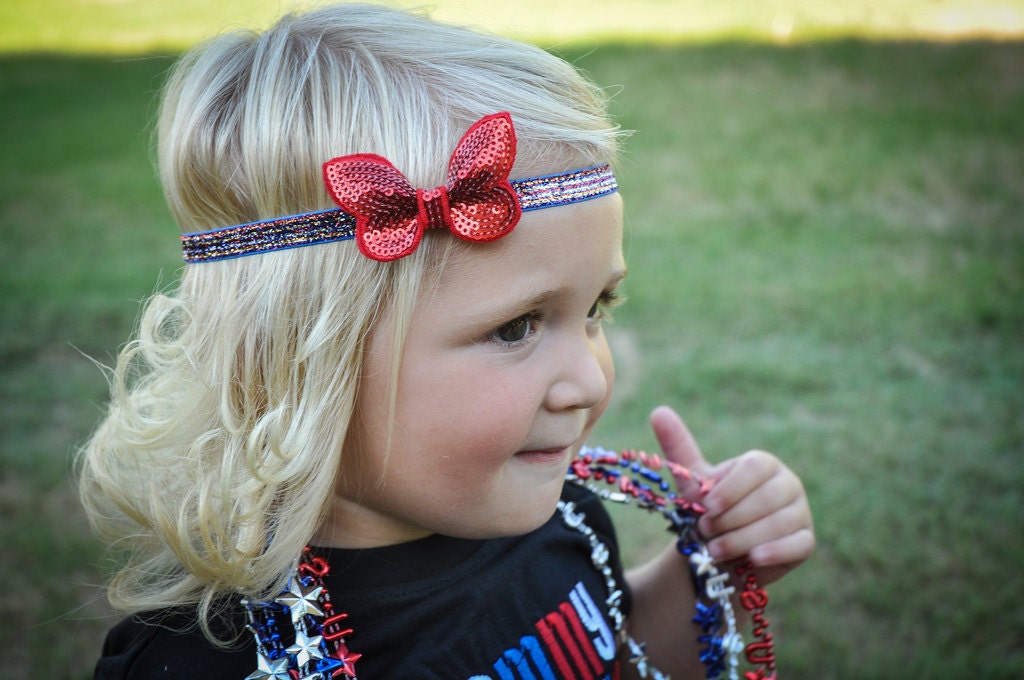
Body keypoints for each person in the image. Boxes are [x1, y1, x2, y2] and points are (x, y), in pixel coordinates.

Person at [78, 4, 814, 679]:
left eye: (597, 307)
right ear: (304, 356)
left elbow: (616, 659)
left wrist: (707, 569)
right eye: (517, 327)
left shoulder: (563, 523)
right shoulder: (202, 664)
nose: (589, 380)